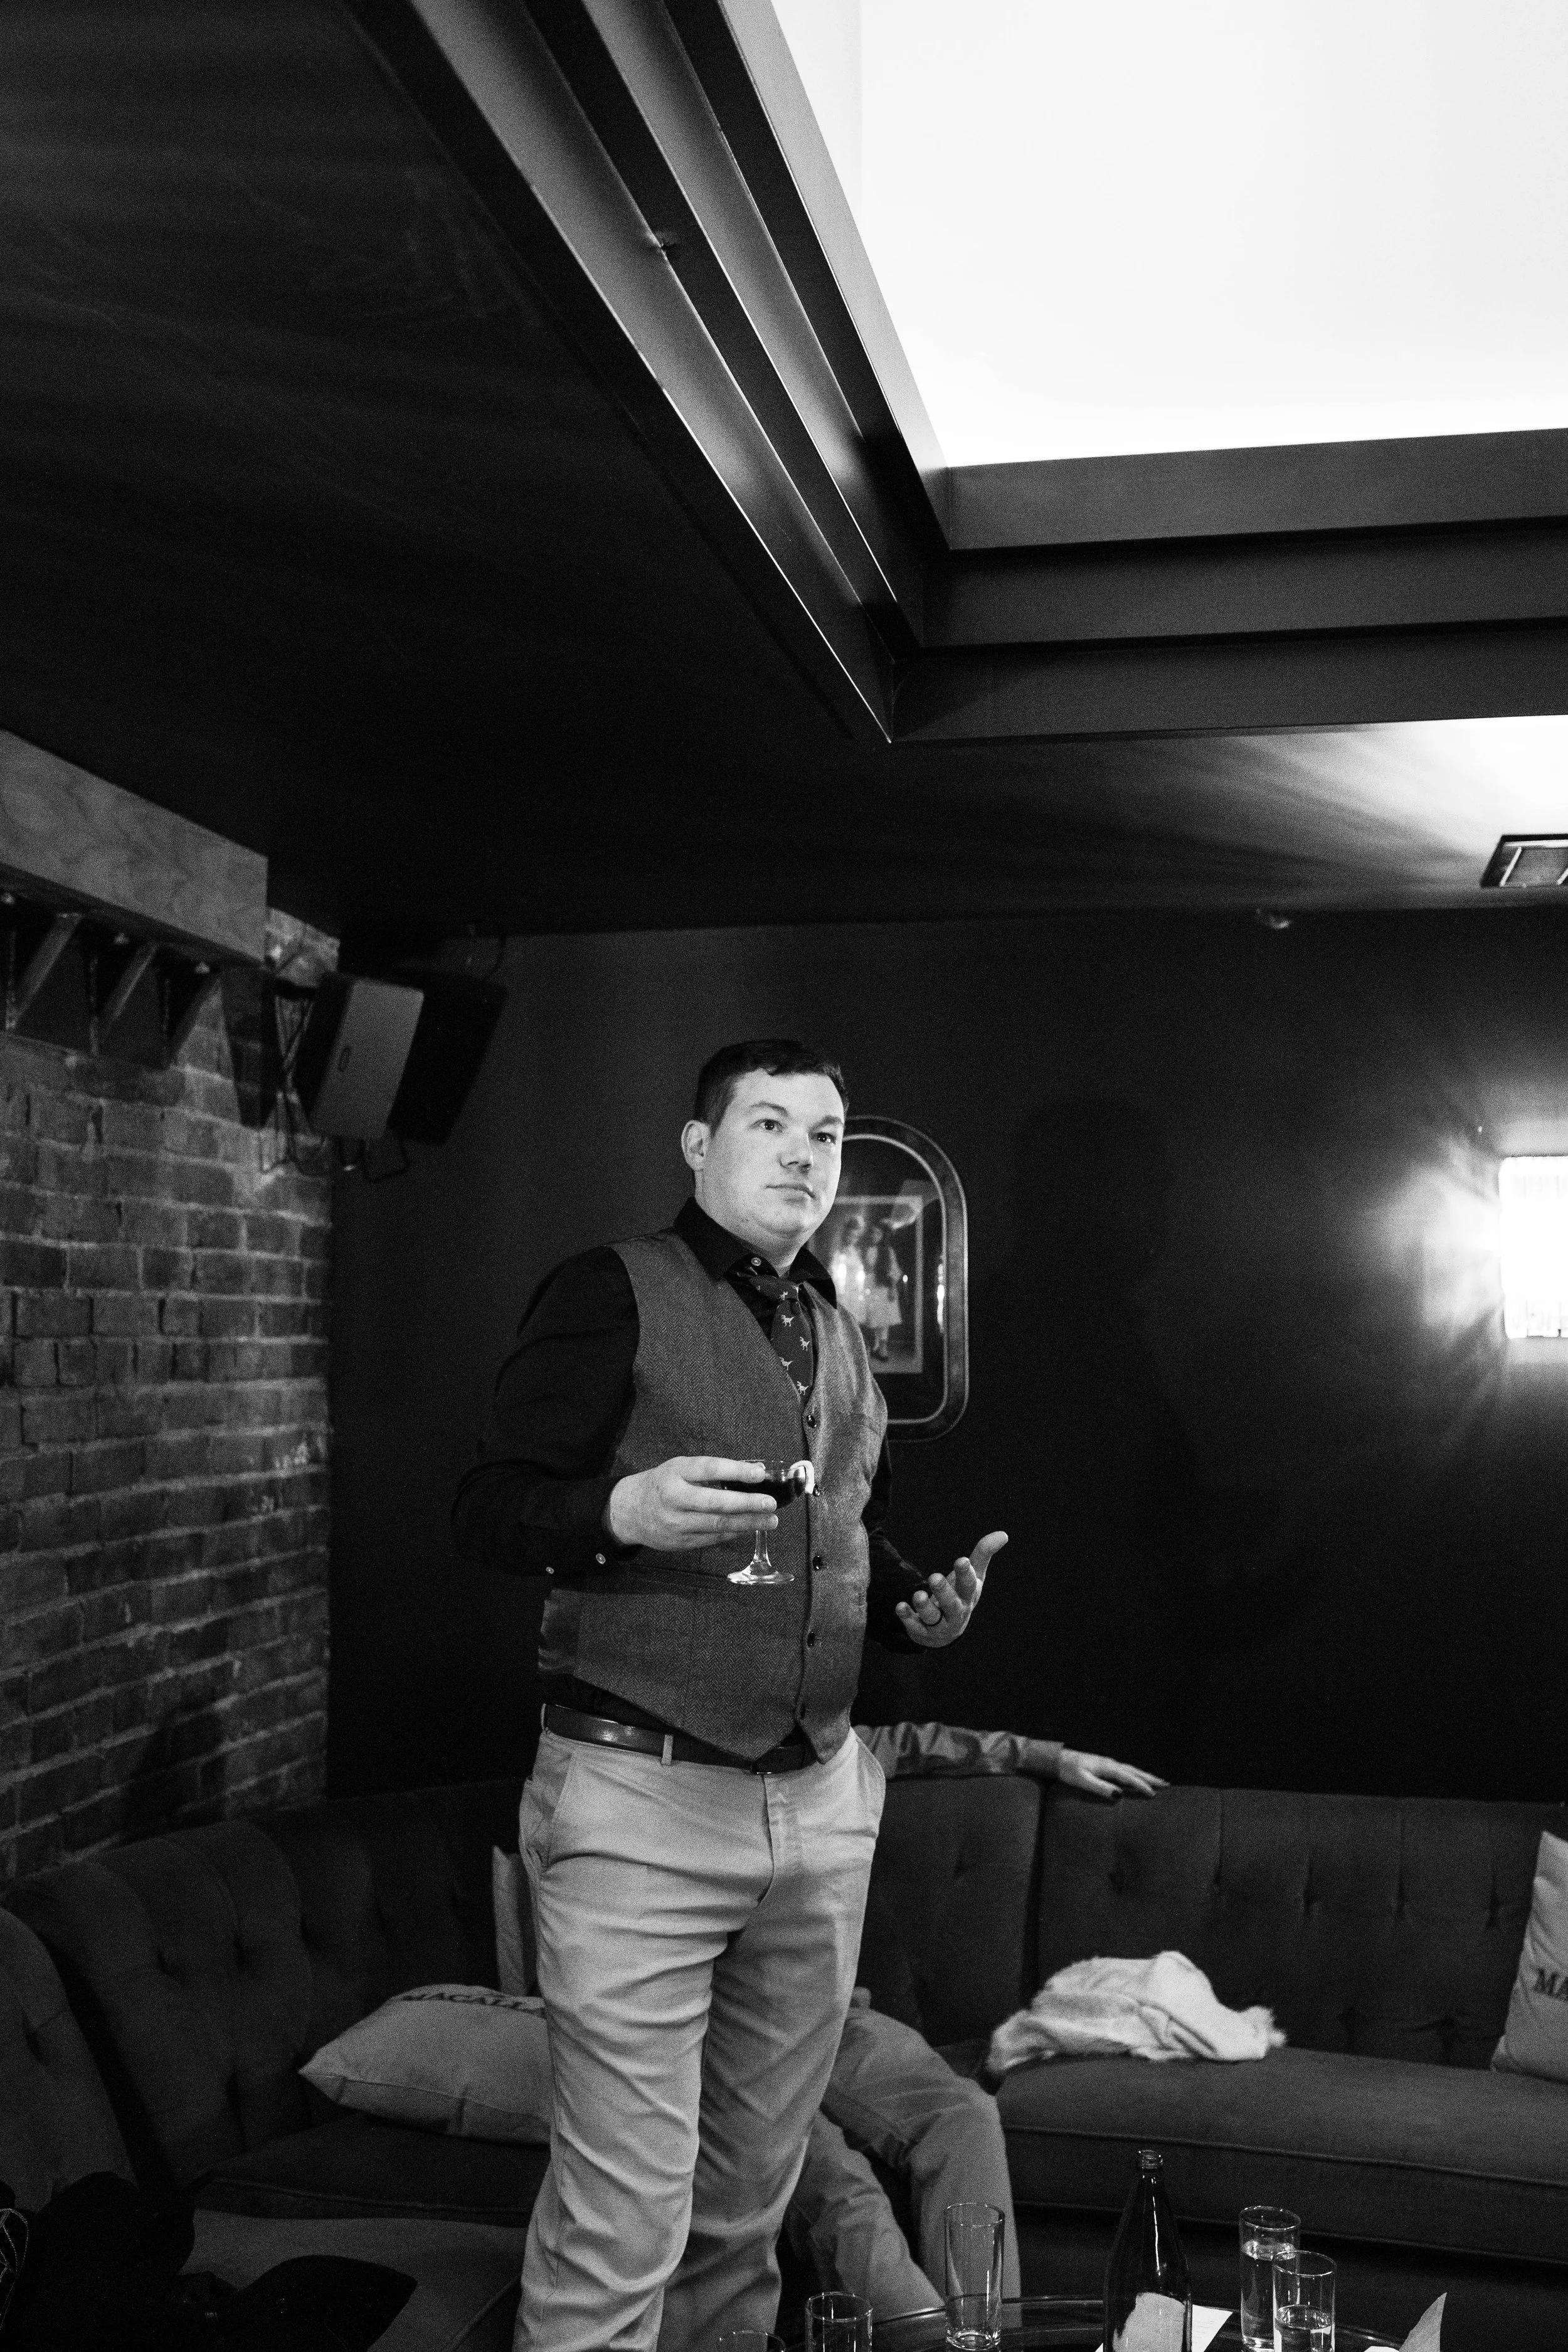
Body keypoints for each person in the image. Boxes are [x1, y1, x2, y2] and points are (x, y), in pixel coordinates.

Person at [452, 1040, 1006, 2352]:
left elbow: (841, 1532)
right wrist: (618, 1511)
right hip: (640, 1799)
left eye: (825, 1134)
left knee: (744, 2216)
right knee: (621, 2223)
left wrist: (914, 1610)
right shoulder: (611, 1290)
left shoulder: (831, 1323)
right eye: (769, 1124)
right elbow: (485, 1508)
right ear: (699, 1147)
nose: (803, 1155)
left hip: (818, 1810)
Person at [787, 1724, 1166, 2319]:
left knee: (966, 2114)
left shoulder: (820, 1741)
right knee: (841, 2188)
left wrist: (1051, 1758)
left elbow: (913, 1743)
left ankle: (987, 2338)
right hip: (726, 2043)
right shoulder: (682, 1768)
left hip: (833, 2017)